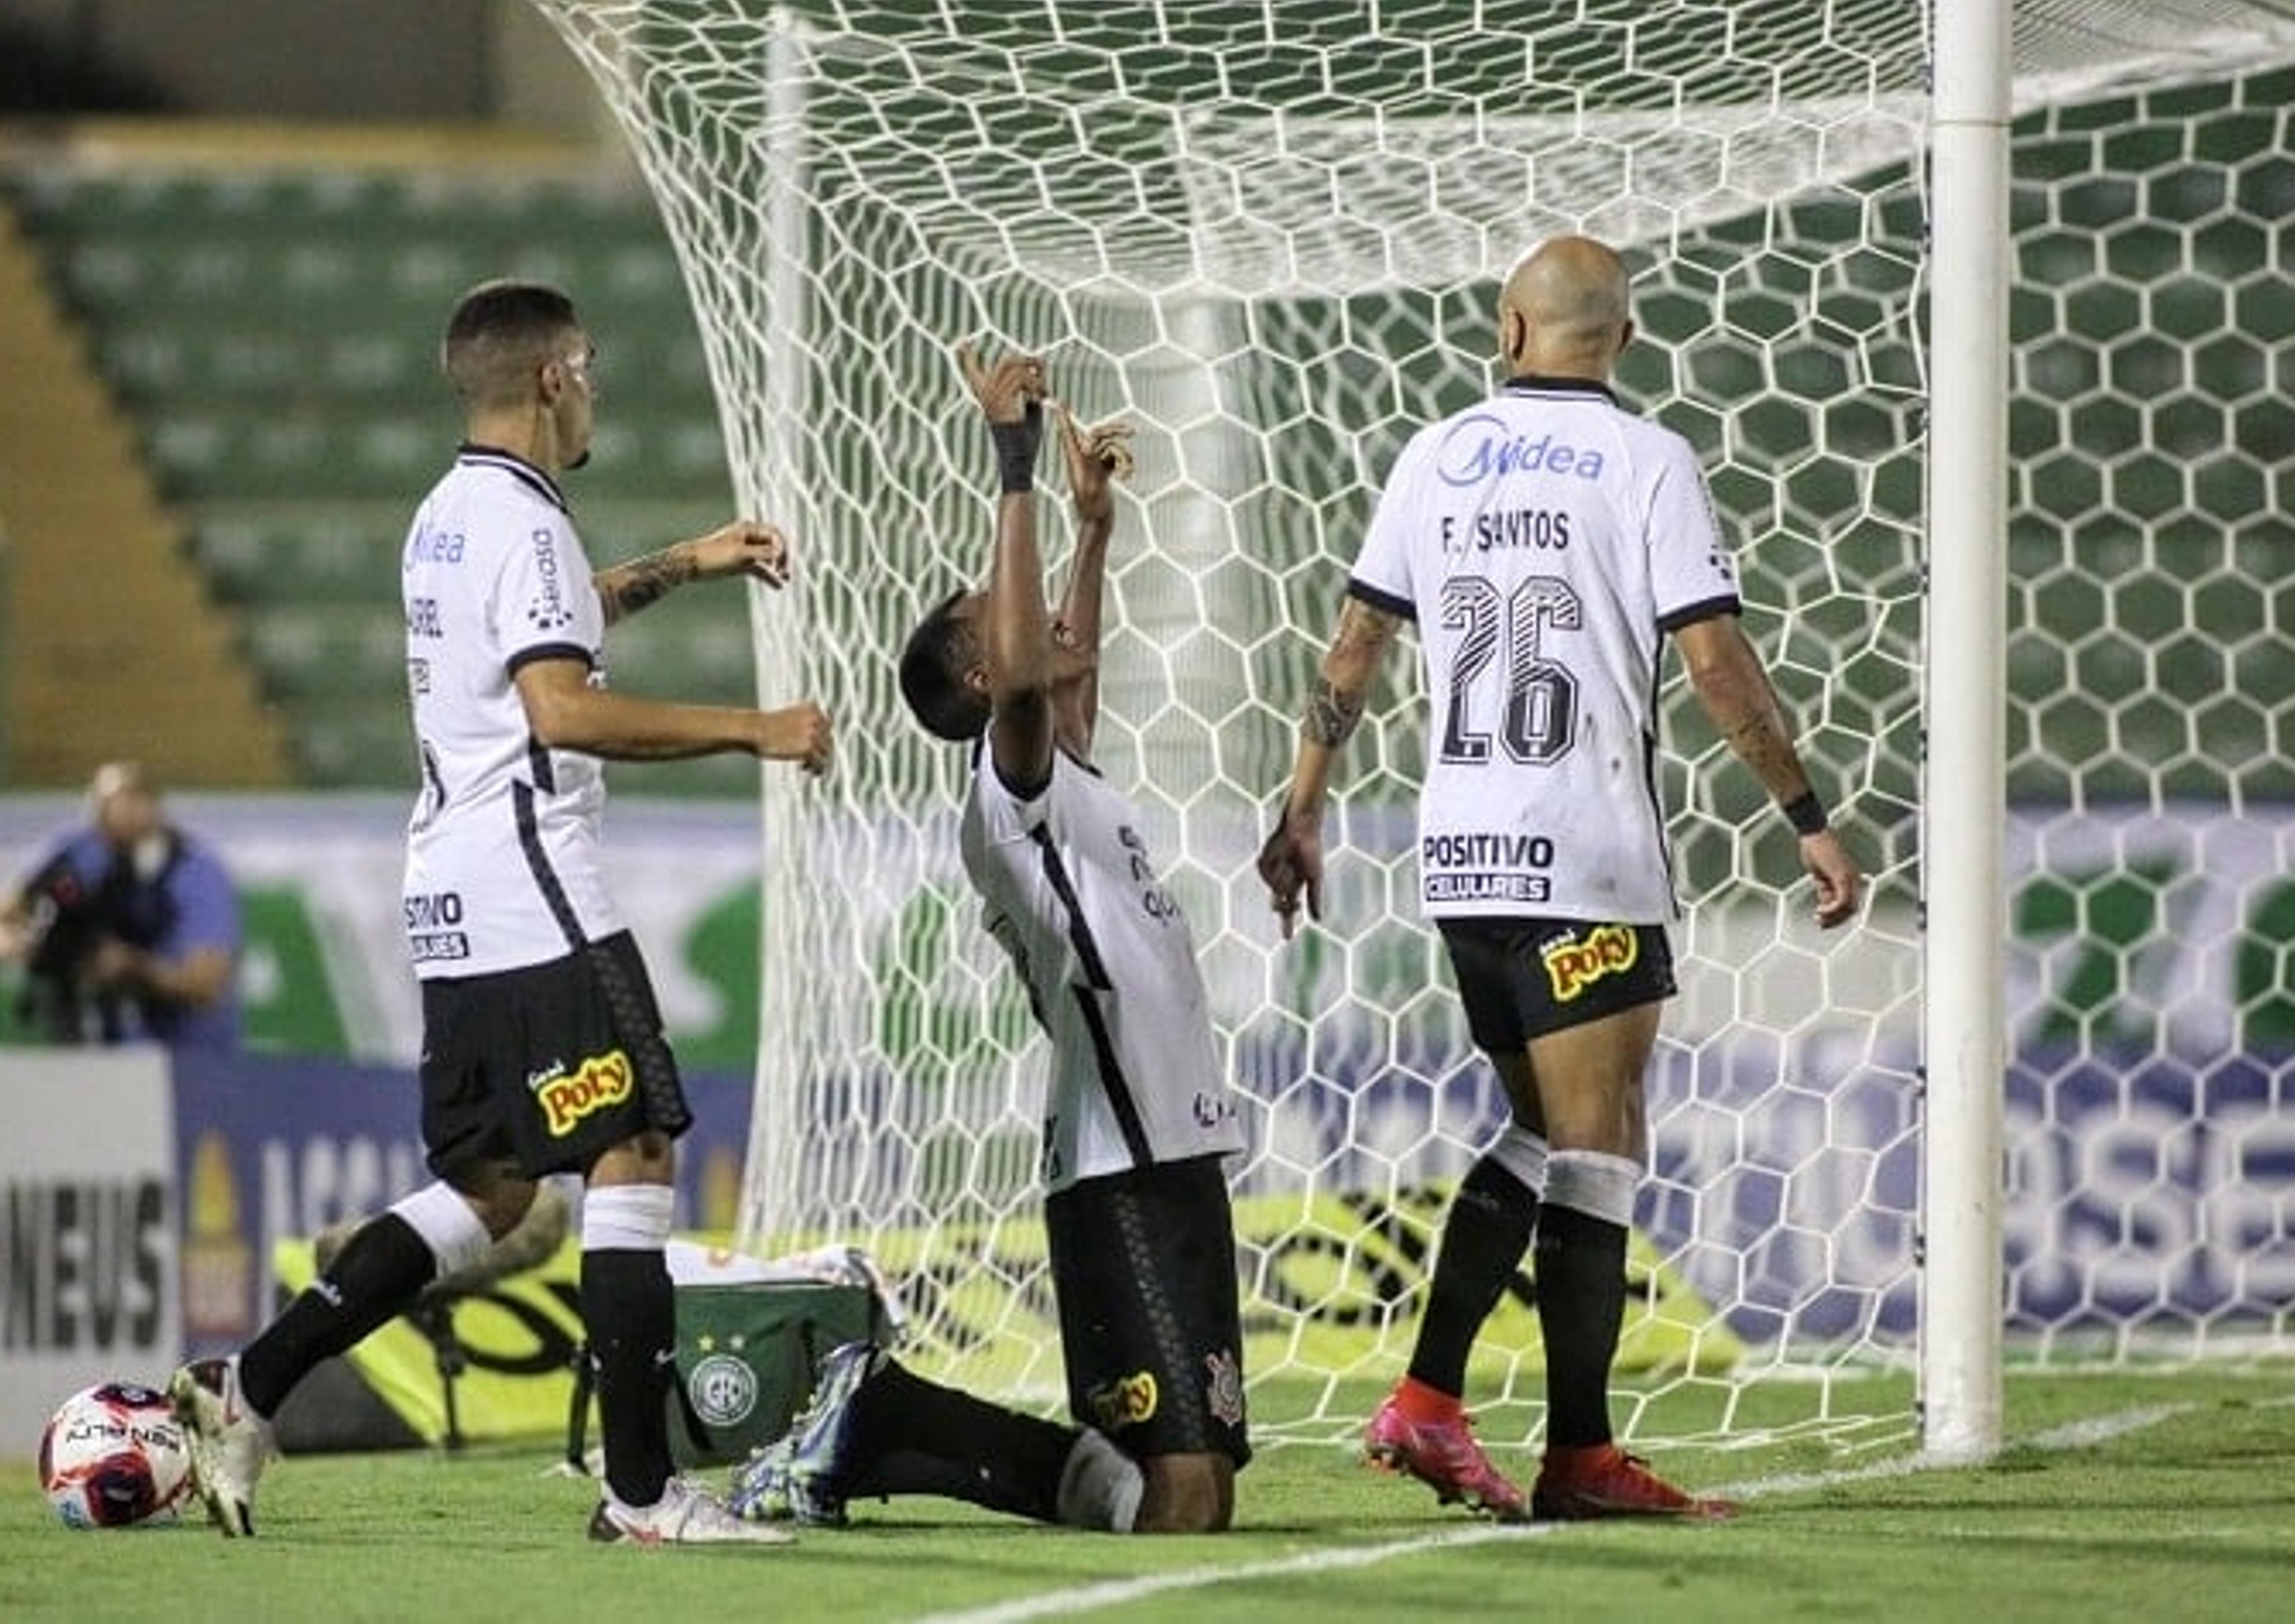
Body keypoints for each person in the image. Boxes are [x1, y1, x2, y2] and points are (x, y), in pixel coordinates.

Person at [165, 278, 832, 1546]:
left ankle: (248, 1380)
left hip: (451, 893)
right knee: (632, 1145)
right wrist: (759, 727)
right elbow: (561, 709)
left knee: (493, 1187)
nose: (593, 388)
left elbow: (552, 614)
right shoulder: (519, 525)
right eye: (585, 365)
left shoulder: (449, 515)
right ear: (549, 377)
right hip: (537, 886)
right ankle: (642, 1494)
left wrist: (688, 560)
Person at [1256, 235, 1868, 1522]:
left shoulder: (1435, 454)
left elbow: (1357, 641)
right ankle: (1579, 1456)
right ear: (1624, 342)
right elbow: (1713, 665)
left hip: (1462, 858)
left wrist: (1303, 807)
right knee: (1595, 1148)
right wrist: (1805, 814)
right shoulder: (1650, 461)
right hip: (1583, 855)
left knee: (1540, 1137)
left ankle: (1428, 1402)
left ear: (1509, 329)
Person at [733, 345, 1249, 1536]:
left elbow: (1063, 671)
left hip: (1174, 1146)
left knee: (1199, 1488)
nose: (1054, 627)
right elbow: (1031, 675)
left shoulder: (1071, 778)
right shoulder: (1002, 787)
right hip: (1116, 1160)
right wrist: (1011, 462)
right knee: (1177, 1503)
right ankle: (893, 1423)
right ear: (980, 669)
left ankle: (888, 1416)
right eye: (1008, 622)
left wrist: (1094, 532)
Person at [0, 760, 242, 1049]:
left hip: (185, 1053)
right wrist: (22, 947)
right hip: (92, 1042)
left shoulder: (193, 871)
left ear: (156, 807)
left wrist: (133, 967)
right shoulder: (80, 854)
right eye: (109, 802)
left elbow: (207, 984)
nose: (123, 812)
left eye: (135, 799)